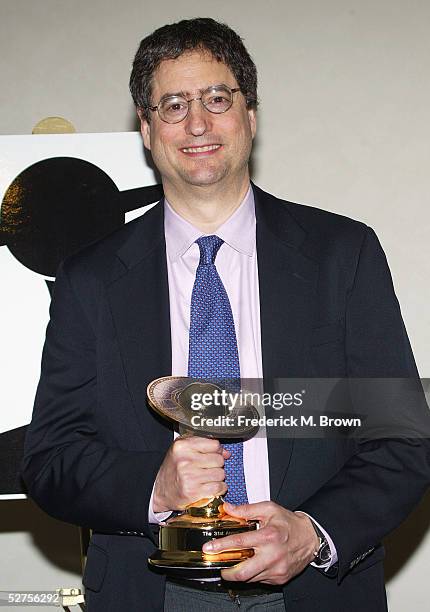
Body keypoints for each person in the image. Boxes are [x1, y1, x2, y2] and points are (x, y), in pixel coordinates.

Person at [22, 17, 430, 612]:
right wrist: (154, 486)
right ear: (146, 129)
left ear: (250, 115)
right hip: (153, 592)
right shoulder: (89, 280)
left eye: (217, 98)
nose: (197, 123)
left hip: (313, 589)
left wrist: (313, 533)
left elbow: (403, 440)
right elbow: (50, 459)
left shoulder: (343, 254)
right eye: (172, 104)